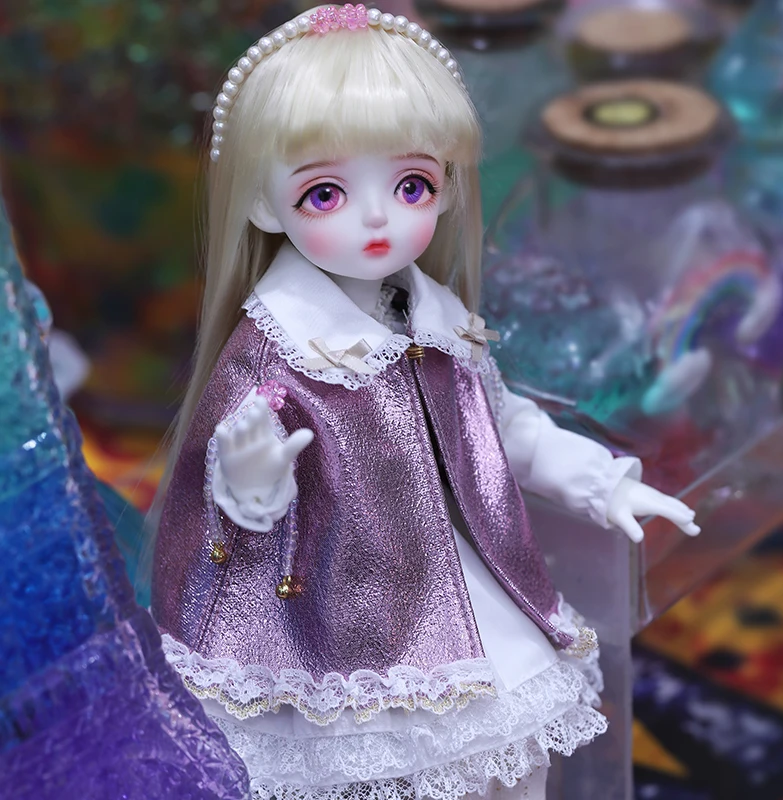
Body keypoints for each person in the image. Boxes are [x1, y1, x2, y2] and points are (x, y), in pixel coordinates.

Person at [148, 6, 699, 799]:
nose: (377, 218)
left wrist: (603, 481)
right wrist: (251, 484)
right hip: (346, 624)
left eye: (411, 185)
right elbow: (228, 519)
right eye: (326, 193)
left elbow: (497, 425)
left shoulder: (433, 316)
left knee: (516, 761)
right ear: (264, 206)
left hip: (466, 590)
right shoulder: (278, 351)